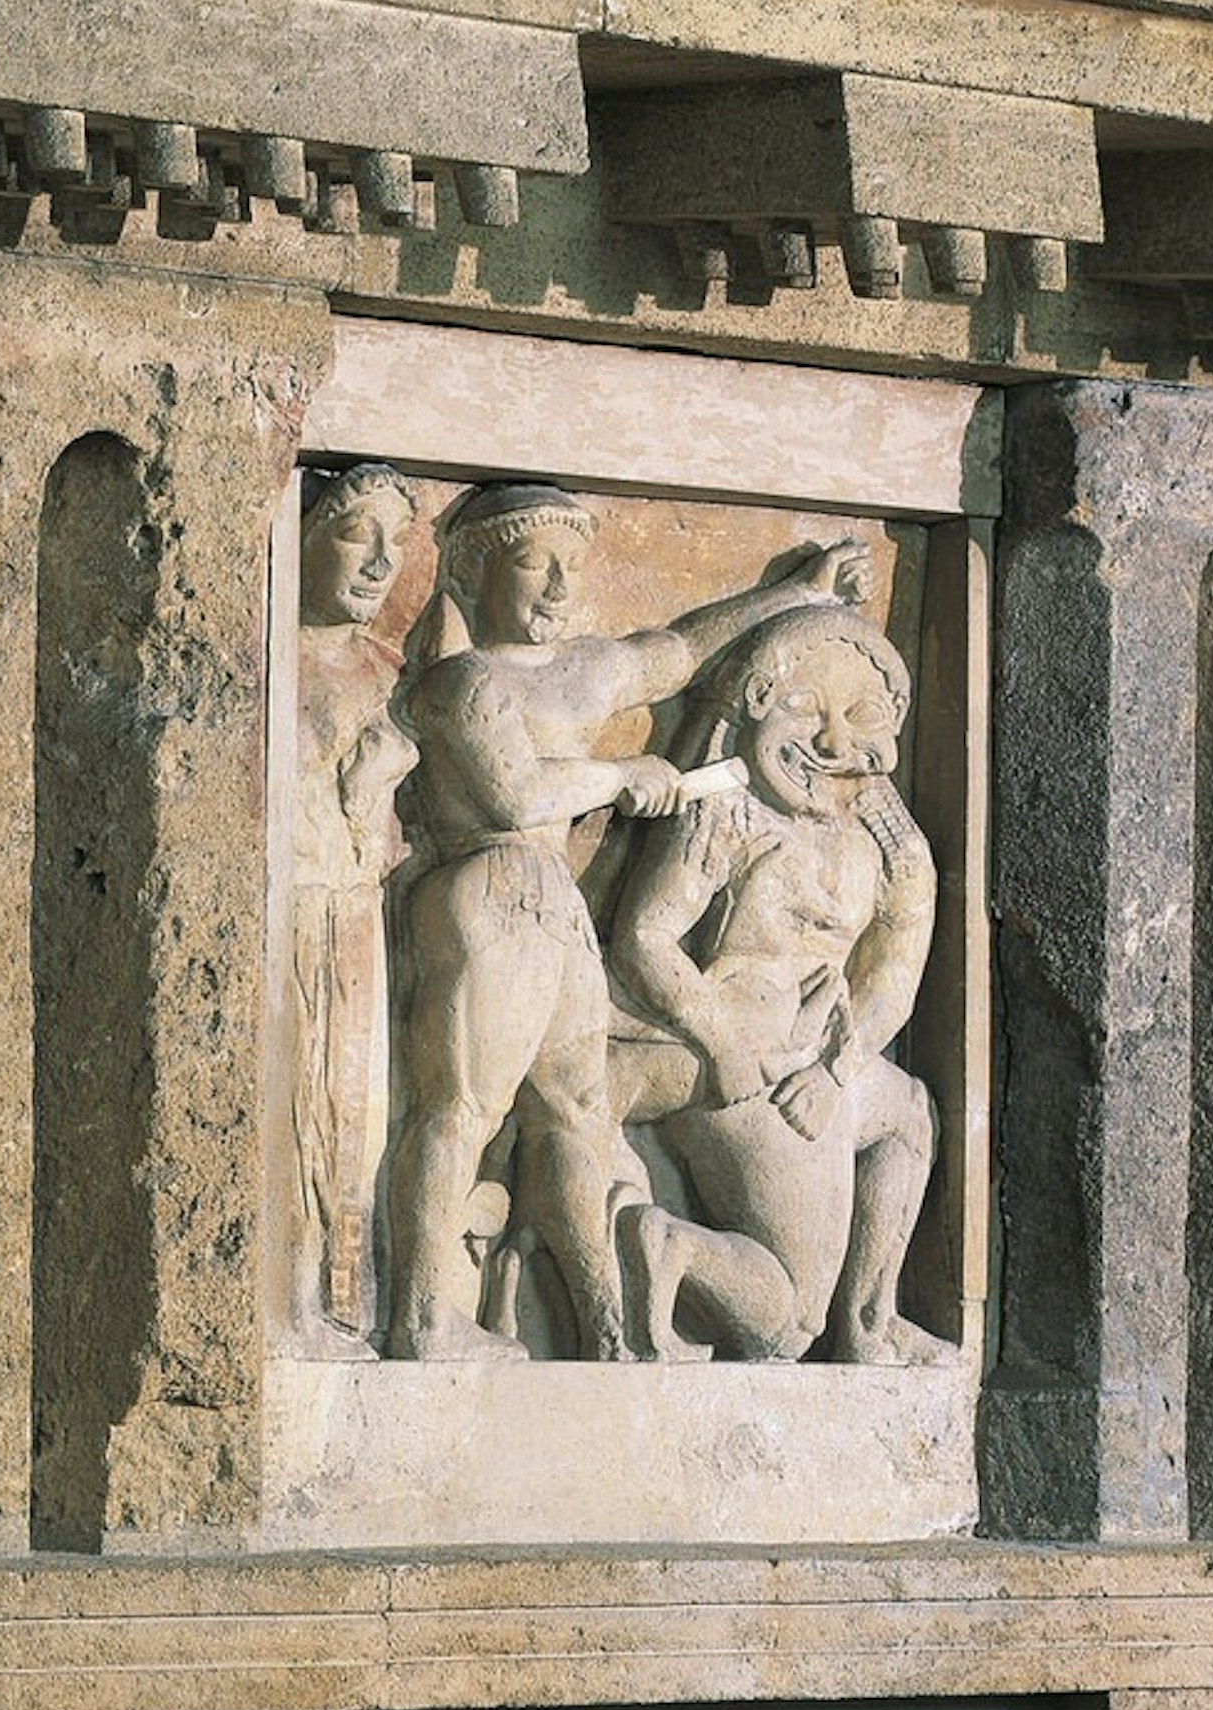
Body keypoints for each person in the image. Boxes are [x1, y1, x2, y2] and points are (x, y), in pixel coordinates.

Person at [375, 486, 871, 1359]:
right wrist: (619, 774)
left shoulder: (578, 672)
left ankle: (607, 1328)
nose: (560, 588)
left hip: (556, 911)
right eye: (534, 564)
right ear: (472, 570)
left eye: (573, 567)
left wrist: (800, 596)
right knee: (464, 1104)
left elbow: (673, 652)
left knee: (577, 1112)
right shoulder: (462, 683)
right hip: (489, 884)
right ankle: (418, 1313)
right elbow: (514, 792)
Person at [606, 601, 943, 1363]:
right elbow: (645, 937)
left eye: (858, 718)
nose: (833, 741)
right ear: (756, 707)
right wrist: (719, 1034)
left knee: (910, 1114)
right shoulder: (728, 814)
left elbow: (894, 977)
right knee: (786, 1328)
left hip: (816, 1065)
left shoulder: (884, 847)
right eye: (803, 709)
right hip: (749, 1059)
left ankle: (869, 1323)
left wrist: (837, 1069)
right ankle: (668, 1245)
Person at [284, 464, 417, 1351]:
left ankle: (345, 1304)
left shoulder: (385, 668)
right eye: (354, 533)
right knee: (296, 1101)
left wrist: (378, 785)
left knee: (358, 1112)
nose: (380, 562)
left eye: (396, 543)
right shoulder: (270, 646)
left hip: (358, 909)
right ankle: (289, 1300)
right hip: (293, 905)